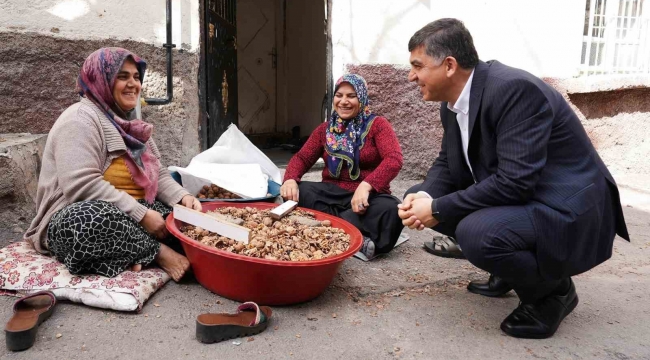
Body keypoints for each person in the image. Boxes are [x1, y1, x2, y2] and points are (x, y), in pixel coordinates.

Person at [398, 19, 629, 339]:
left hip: (570, 205)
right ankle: (509, 270)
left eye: (417, 66)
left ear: (449, 65)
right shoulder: (451, 103)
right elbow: (447, 162)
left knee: (476, 232)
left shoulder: (513, 90)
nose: (411, 76)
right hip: (528, 195)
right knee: (419, 193)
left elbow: (515, 183)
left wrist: (437, 208)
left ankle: (553, 293)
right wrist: (426, 197)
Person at [24, 48, 201, 282]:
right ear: (101, 80)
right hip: (74, 215)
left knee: (187, 223)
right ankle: (157, 253)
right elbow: (81, 186)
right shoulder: (79, 119)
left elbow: (157, 174)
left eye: (136, 77)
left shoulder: (131, 126)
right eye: (122, 76)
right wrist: (142, 216)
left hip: (128, 213)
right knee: (87, 222)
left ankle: (127, 254)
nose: (133, 84)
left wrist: (182, 198)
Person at [281, 74, 404, 259]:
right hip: (332, 194)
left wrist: (366, 185)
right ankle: (355, 234)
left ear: (361, 98)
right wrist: (290, 178)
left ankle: (329, 228)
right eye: (339, 95)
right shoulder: (325, 130)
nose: (344, 101)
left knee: (392, 210)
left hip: (367, 199)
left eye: (351, 96)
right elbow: (302, 158)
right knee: (298, 192)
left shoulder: (378, 125)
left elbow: (394, 159)